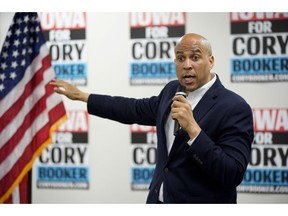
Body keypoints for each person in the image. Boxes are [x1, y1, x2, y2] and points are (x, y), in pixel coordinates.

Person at [50, 33, 254, 203]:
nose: (187, 65)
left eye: (195, 57)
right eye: (180, 58)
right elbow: (133, 108)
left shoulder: (234, 107)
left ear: (211, 61)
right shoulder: (172, 90)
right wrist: (82, 96)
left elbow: (232, 173)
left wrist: (193, 129)